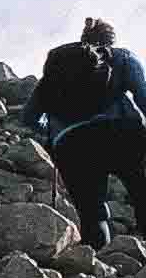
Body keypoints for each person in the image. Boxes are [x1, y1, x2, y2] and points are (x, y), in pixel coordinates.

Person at [28, 16, 146, 245]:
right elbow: (143, 98)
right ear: (110, 41)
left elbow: (30, 117)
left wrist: (55, 131)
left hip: (71, 144)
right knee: (141, 190)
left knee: (93, 211)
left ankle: (97, 271)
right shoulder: (123, 58)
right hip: (121, 134)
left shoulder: (57, 71)